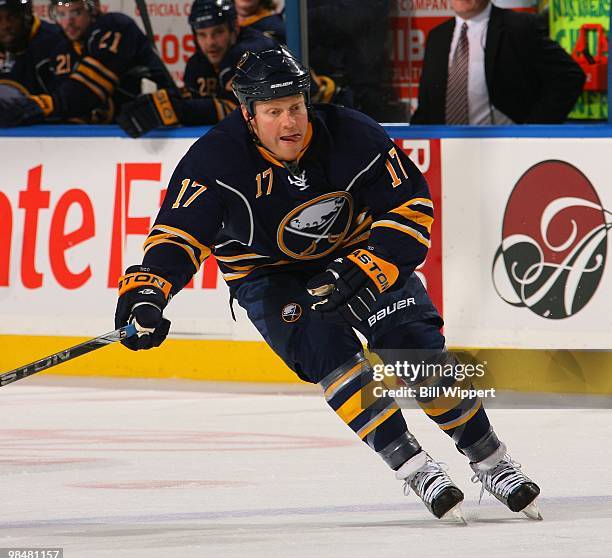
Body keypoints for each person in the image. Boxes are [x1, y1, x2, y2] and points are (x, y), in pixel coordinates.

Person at [114, 45, 542, 521]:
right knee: (331, 355)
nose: (289, 122)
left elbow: (411, 207)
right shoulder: (214, 161)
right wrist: (148, 292)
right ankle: (414, 466)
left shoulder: (352, 134)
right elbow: (178, 235)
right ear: (249, 115)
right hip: (266, 272)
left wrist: (370, 263)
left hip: (356, 251)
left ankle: (491, 459)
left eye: (295, 106)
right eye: (274, 111)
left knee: (414, 347)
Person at [117, 0, 277, 137]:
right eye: (202, 34)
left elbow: (240, 112)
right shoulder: (198, 64)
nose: (210, 43)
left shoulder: (253, 52)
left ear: (234, 28)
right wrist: (165, 103)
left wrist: (178, 110)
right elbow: (192, 101)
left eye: (218, 32)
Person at [0, 0, 174, 126]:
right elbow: (70, 106)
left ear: (93, 8)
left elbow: (87, 91)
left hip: (160, 125)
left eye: (76, 12)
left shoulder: (115, 26)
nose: (68, 22)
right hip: (114, 132)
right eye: (60, 14)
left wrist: (40, 106)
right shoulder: (62, 48)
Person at [410, 0, 585, 124]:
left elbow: (569, 77)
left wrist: (533, 131)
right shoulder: (437, 36)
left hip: (506, 151)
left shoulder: (519, 27)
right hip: (447, 153)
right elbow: (426, 106)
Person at [0, 0, 66, 125]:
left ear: (27, 15)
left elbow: (66, 103)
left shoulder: (54, 43)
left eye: (12, 17)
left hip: (48, 131)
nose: (5, 25)